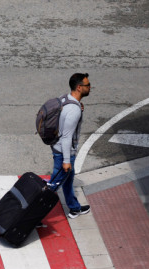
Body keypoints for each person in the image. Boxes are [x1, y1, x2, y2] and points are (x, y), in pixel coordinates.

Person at [50, 73, 92, 218]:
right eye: (87, 85)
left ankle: (74, 208)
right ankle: (30, 215)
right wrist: (66, 161)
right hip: (64, 152)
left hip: (57, 146)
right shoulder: (74, 110)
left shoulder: (65, 98)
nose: (90, 87)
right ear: (79, 87)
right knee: (52, 187)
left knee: (68, 180)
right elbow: (67, 137)